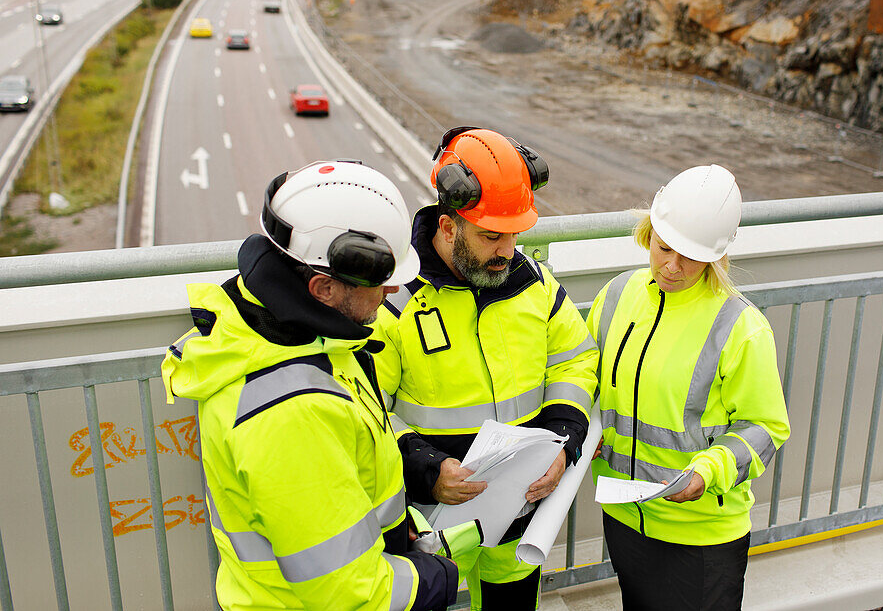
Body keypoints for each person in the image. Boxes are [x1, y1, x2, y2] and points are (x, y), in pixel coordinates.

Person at [161, 161, 460, 611]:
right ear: (322, 288)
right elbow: (350, 593)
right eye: (380, 282)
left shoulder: (309, 336)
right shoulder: (290, 413)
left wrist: (394, 529)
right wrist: (438, 575)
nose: (392, 293)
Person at [373, 127, 599, 610]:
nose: (506, 251)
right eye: (491, 236)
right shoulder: (395, 304)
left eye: (515, 235)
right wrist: (426, 467)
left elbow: (576, 360)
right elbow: (366, 409)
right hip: (428, 519)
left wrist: (563, 439)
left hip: (516, 513)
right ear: (449, 224)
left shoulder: (532, 284)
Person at [586, 164, 790, 611]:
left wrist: (707, 472)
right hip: (625, 518)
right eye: (664, 248)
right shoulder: (618, 294)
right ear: (650, 232)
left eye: (691, 257)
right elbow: (589, 380)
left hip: (701, 538)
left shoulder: (741, 327)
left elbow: (765, 428)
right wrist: (590, 425)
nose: (673, 266)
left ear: (717, 256)